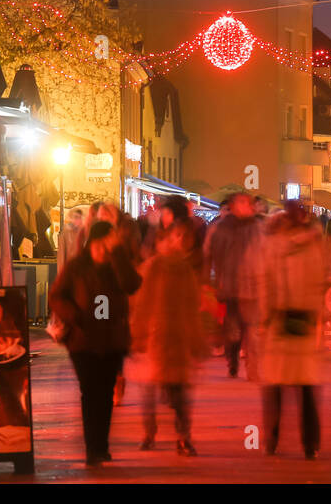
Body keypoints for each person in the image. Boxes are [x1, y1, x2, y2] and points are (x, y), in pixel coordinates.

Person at [49, 220, 142, 466]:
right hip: (83, 340)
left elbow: (132, 285)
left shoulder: (116, 266)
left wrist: (119, 254)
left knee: (105, 391)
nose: (103, 249)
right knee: (90, 393)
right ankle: (93, 449)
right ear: (92, 242)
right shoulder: (77, 266)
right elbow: (57, 295)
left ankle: (102, 446)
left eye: (108, 245)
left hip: (112, 340)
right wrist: (74, 315)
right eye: (101, 244)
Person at [255, 201, 331, 459]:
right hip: (305, 320)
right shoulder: (316, 246)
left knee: (277, 386)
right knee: (306, 387)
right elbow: (324, 282)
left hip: (281, 320)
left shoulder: (273, 247)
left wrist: (265, 318)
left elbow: (265, 282)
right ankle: (310, 443)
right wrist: (321, 316)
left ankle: (272, 438)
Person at [129, 212, 203, 455]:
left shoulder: (186, 271)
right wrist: (138, 334)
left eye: (185, 236)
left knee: (180, 394)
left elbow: (193, 309)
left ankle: (183, 436)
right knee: (150, 390)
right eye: (177, 235)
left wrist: (197, 341)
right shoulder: (153, 268)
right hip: (155, 340)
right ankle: (149, 433)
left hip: (178, 340)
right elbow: (141, 304)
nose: (181, 240)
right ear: (167, 238)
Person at [203, 193, 263, 378]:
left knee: (252, 328)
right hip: (230, 285)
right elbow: (207, 254)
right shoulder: (220, 228)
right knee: (234, 330)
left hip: (253, 287)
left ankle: (253, 367)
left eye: (248, 203)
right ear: (233, 206)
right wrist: (207, 281)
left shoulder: (258, 227)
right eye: (243, 203)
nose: (247, 206)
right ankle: (233, 358)